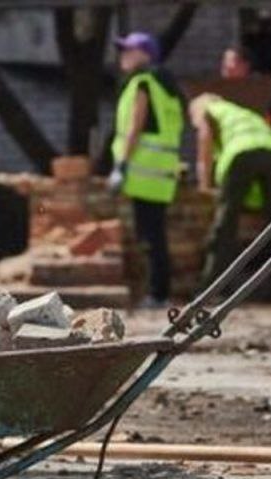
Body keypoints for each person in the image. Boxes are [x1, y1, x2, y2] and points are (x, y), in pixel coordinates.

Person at [189, 93, 271, 300]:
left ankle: (211, 289)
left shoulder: (208, 110)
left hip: (240, 155)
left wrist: (204, 184)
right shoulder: (244, 112)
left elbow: (204, 143)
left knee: (225, 225)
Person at [109, 32, 185, 308]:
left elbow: (135, 127)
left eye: (130, 50)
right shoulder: (167, 86)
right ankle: (158, 292)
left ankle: (158, 294)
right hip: (161, 171)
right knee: (155, 233)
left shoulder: (143, 82)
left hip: (143, 171)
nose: (123, 56)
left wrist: (120, 165)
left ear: (146, 54)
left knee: (151, 235)